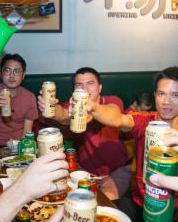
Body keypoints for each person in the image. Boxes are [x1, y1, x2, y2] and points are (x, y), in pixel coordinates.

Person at [90, 66, 178, 222]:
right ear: (155, 95)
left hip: (173, 210)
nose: (167, 101)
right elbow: (119, 119)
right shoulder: (145, 121)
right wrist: (93, 107)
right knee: (98, 218)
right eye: (161, 94)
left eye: (175, 95)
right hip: (140, 203)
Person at [37, 67, 130, 200]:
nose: (84, 89)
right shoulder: (73, 105)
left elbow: (114, 115)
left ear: (100, 88)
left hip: (115, 172)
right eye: (79, 85)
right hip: (84, 172)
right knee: (71, 201)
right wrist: (50, 107)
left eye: (90, 83)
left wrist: (92, 107)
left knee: (103, 204)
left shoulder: (112, 101)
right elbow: (63, 115)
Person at [0, 53, 38, 146]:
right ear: (1, 73)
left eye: (17, 71)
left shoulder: (29, 97)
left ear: (23, 75)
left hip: (16, 145)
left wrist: (22, 149)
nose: (12, 75)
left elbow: (27, 132)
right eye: (7, 70)